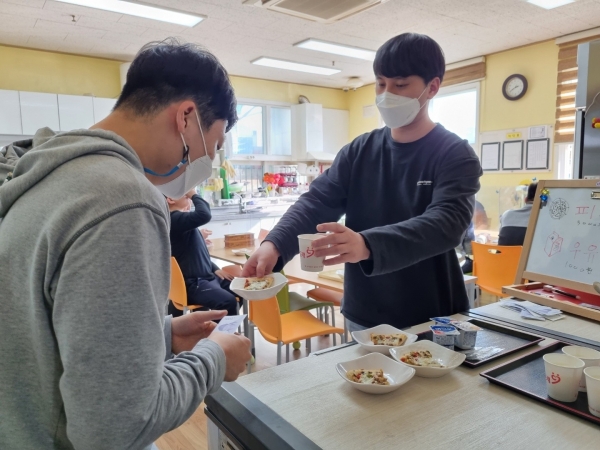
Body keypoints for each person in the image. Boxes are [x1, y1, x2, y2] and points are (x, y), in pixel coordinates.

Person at [0, 39, 251, 450]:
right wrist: (215, 358)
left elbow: (45, 333)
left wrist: (158, 334)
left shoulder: (48, 175)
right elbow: (117, 427)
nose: (208, 165)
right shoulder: (123, 200)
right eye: (215, 146)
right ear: (186, 117)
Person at [243, 33, 482, 331]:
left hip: (432, 315)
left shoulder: (454, 153)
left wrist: (368, 244)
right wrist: (274, 245)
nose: (387, 94)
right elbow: (316, 203)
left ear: (432, 87)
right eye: (380, 84)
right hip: (365, 311)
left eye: (400, 85)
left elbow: (447, 223)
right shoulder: (359, 151)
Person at [168, 189, 238, 318]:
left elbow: (196, 254)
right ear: (171, 199)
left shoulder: (178, 220)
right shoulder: (174, 218)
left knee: (241, 290)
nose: (187, 195)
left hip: (206, 278)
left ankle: (215, 326)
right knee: (228, 302)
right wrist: (193, 194)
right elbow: (204, 214)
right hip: (194, 283)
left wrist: (215, 269)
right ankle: (214, 330)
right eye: (184, 193)